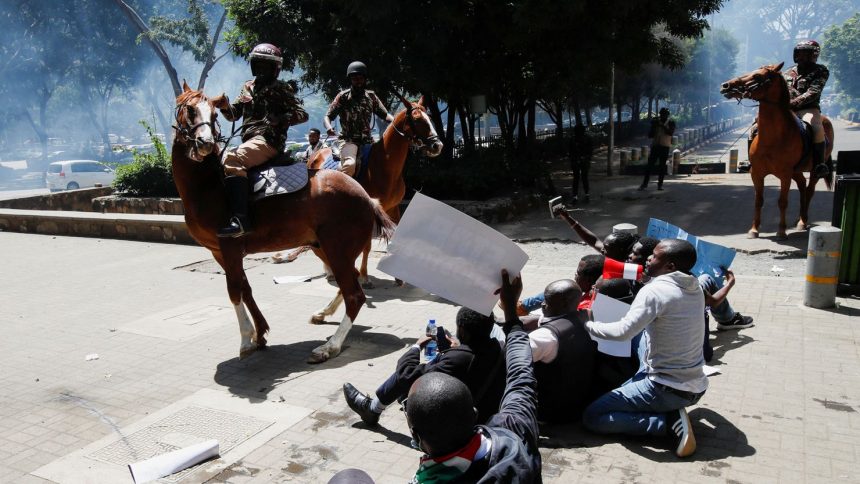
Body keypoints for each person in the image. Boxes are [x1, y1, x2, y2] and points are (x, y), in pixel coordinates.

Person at [406, 269, 541, 483]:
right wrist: (511, 315)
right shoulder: (515, 429)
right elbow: (521, 374)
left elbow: (521, 374)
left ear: (416, 437)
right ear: (475, 413)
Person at [582, 239, 707, 458]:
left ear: (670, 267)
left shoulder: (655, 291)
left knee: (593, 416)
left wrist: (590, 326)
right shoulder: (693, 285)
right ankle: (663, 406)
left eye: (655, 256)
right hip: (694, 382)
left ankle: (666, 423)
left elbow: (623, 332)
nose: (649, 258)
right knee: (642, 335)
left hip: (664, 388)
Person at [343, 307, 505, 426]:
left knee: (417, 373)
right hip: (489, 414)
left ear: (462, 331)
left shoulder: (457, 359)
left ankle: (372, 409)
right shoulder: (499, 348)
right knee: (438, 361)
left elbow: (405, 374)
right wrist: (454, 350)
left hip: (464, 425)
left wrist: (416, 346)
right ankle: (376, 406)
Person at [216, 43, 308, 237]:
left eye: (265, 65)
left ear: (275, 68)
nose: (260, 69)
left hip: (268, 141)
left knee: (233, 158)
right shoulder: (247, 87)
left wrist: (282, 119)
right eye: (257, 64)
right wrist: (224, 106)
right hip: (250, 142)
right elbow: (234, 115)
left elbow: (302, 114)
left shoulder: (282, 88)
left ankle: (241, 220)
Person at [527, 279, 598, 422]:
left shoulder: (545, 336)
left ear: (564, 303)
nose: (542, 303)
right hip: (576, 403)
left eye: (548, 300)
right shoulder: (587, 320)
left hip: (547, 412)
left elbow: (511, 358)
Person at [323, 61, 394, 177]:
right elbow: (328, 116)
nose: (358, 81)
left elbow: (385, 115)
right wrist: (329, 127)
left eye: (360, 78)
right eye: (355, 78)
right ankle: (342, 193)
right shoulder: (343, 97)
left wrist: (395, 121)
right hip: (348, 140)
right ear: (350, 79)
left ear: (365, 79)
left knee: (387, 162)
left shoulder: (371, 96)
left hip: (368, 140)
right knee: (350, 165)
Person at [785, 40, 830, 177]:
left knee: (815, 126)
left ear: (814, 55)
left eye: (806, 53)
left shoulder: (821, 70)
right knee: (757, 124)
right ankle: (753, 160)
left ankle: (819, 164)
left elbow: (814, 91)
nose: (802, 55)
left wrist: (794, 102)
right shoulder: (787, 72)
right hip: (786, 109)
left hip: (808, 108)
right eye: (799, 52)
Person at [517, 254, 604, 314]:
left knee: (561, 290)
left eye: (578, 273)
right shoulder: (597, 291)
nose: (575, 275)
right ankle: (522, 306)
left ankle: (521, 307)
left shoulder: (584, 307)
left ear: (589, 280)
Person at [552, 206, 637, 262]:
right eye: (604, 246)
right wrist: (567, 217)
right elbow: (594, 241)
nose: (602, 250)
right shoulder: (614, 254)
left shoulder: (631, 269)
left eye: (607, 248)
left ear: (620, 250)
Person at [639, 108, 675, 191]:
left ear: (667, 115)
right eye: (662, 114)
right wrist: (653, 126)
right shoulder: (656, 123)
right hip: (655, 146)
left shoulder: (671, 123)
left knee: (662, 167)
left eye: (664, 114)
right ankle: (644, 184)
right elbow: (650, 135)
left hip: (665, 147)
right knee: (649, 166)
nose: (663, 116)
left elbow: (670, 132)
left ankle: (660, 185)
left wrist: (662, 126)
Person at [569, 124, 593, 204]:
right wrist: (586, 158)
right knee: (584, 178)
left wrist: (574, 159)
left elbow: (570, 152)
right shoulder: (587, 138)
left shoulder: (573, 139)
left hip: (576, 161)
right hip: (583, 161)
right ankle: (586, 195)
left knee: (576, 179)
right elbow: (590, 151)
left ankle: (575, 197)